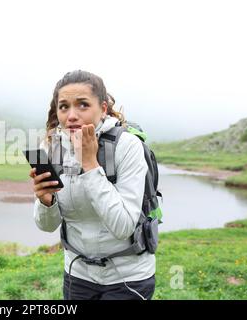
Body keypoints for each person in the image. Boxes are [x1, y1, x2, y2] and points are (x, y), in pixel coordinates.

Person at [29, 70, 155, 300]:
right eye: (64, 106)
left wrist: (89, 164)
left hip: (128, 277)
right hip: (77, 275)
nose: (71, 116)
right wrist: (46, 202)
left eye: (83, 105)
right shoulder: (52, 148)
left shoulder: (127, 146)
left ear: (103, 109)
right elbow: (47, 227)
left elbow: (124, 226)